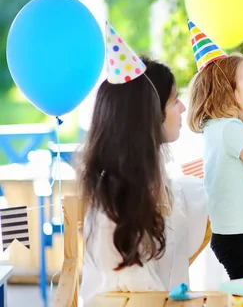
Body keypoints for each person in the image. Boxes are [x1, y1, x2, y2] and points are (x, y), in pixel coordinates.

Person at [79, 24, 208, 305]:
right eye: (175, 101)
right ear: (148, 115)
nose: (183, 109)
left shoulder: (155, 182)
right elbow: (136, 289)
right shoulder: (114, 201)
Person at [186, 21, 243, 280]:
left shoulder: (226, 127)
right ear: (228, 92)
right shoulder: (229, 129)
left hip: (242, 235)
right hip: (238, 238)